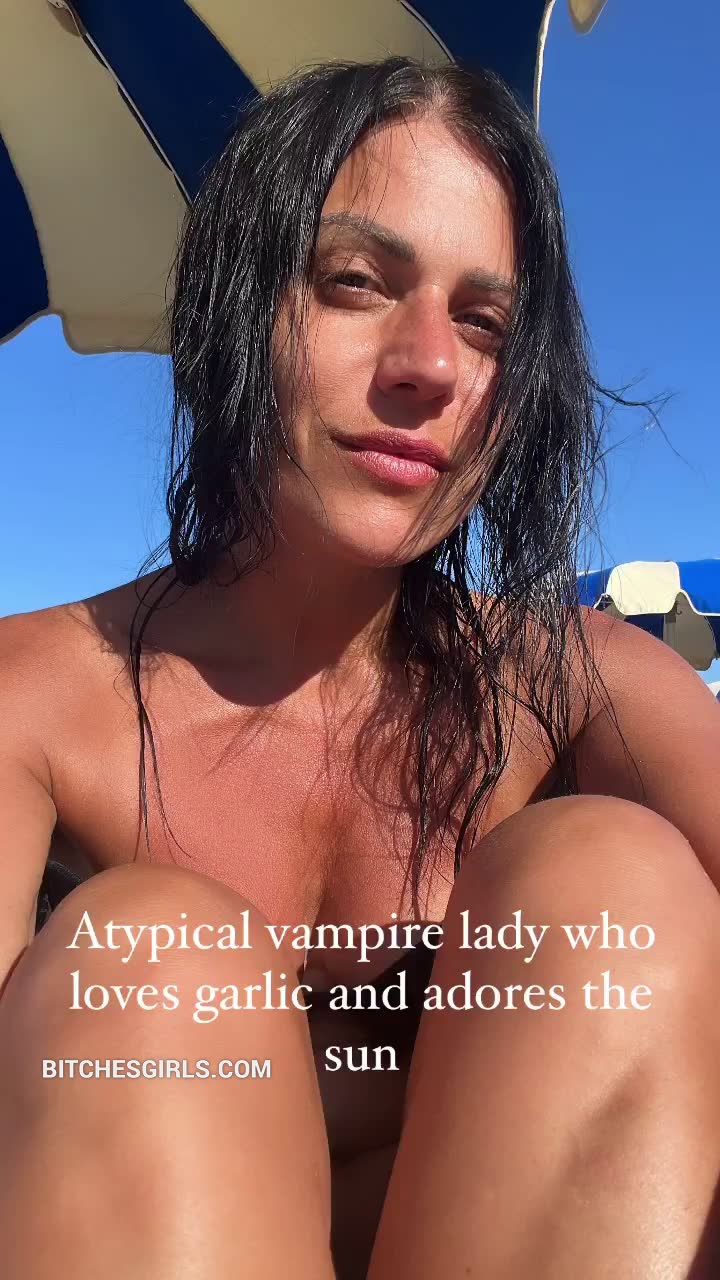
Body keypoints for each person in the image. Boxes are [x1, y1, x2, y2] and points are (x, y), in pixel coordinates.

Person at [1, 54, 719, 1280]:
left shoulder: (581, 679)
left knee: (613, 882)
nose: (431, 364)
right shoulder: (34, 693)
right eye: (354, 283)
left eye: (485, 323)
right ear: (232, 305)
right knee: (151, 952)